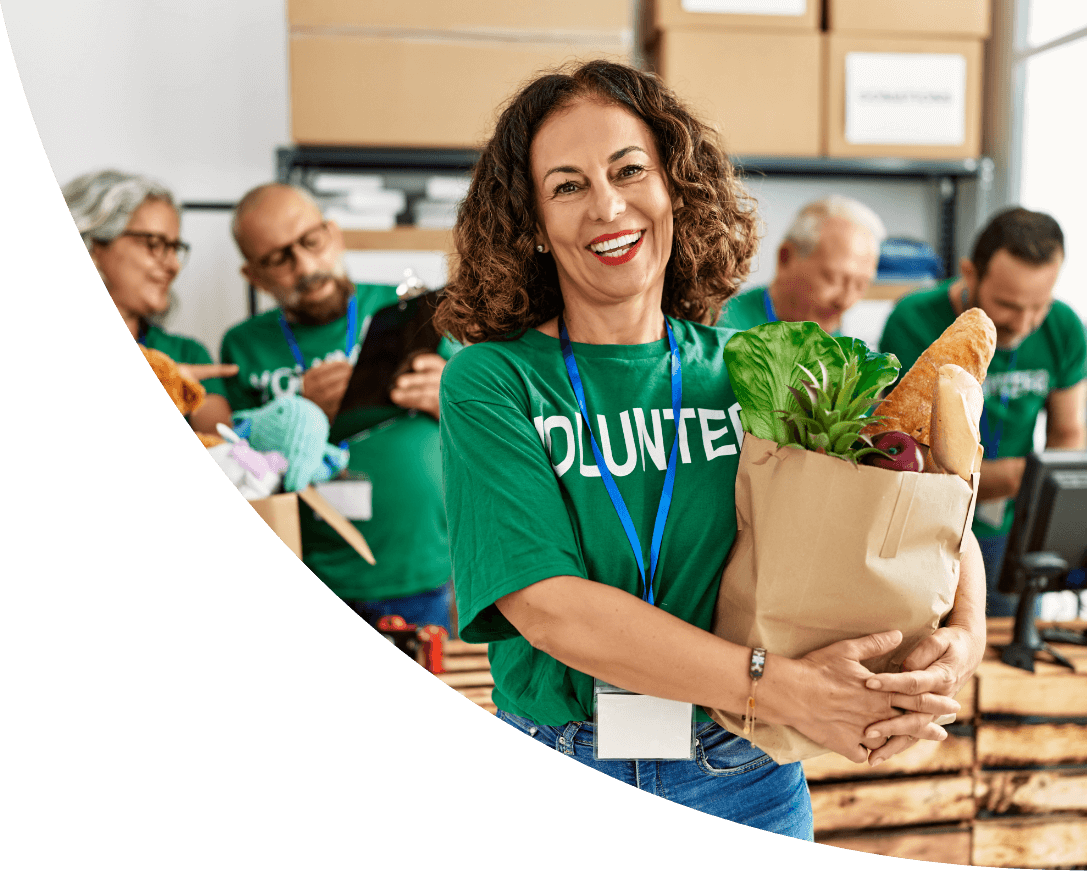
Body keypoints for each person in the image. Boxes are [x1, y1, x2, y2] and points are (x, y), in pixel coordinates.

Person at [434, 60, 985, 836]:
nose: (608, 205)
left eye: (630, 170)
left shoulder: (763, 365)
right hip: (571, 744)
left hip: (747, 775)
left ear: (674, 187)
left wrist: (964, 638)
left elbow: (917, 495)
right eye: (568, 185)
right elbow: (551, 610)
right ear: (531, 222)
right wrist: (778, 684)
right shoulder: (493, 382)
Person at [222, 183, 456, 631]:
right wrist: (299, 416)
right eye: (278, 258)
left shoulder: (410, 310)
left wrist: (452, 402)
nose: (306, 267)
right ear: (254, 276)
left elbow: (496, 427)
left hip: (418, 568)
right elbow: (239, 466)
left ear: (334, 233)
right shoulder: (242, 346)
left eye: (311, 241)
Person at [879, 207, 1087, 616]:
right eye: (1008, 305)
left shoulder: (1064, 328)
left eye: (1039, 305)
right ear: (969, 273)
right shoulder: (912, 320)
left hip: (1010, 530)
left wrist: (1035, 496)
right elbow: (896, 443)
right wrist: (1010, 477)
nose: (1024, 323)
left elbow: (1068, 431)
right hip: (924, 524)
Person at [66, 169, 236, 433]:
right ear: (95, 246)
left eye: (175, 248)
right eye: (154, 244)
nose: (174, 265)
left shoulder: (188, 354)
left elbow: (226, 453)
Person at [718, 195, 885, 336]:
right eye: (834, 279)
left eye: (861, 285)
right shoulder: (720, 331)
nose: (845, 301)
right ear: (785, 258)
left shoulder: (836, 341)